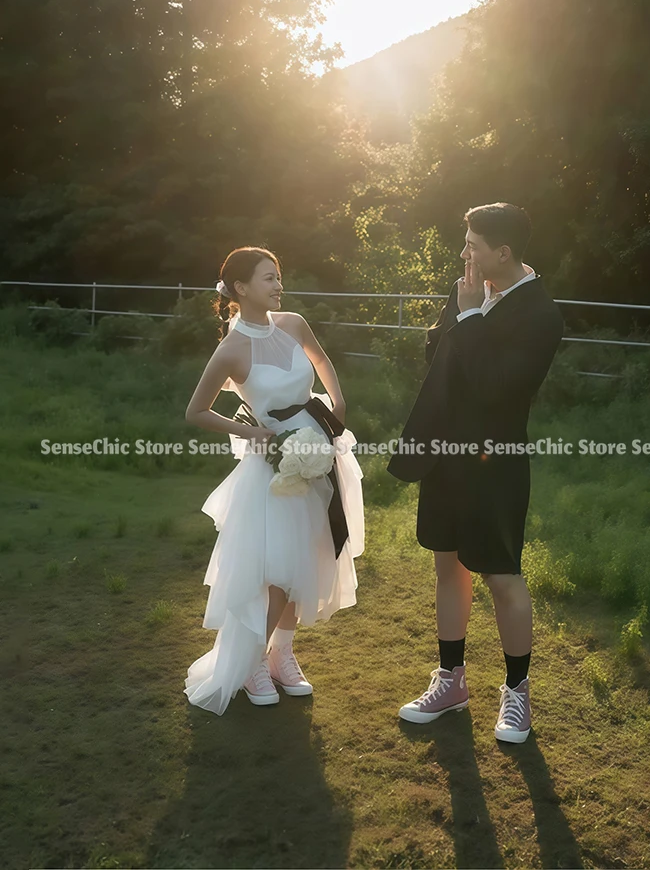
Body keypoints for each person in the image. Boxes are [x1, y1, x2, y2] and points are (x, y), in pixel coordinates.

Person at [387, 203, 563, 743]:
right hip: (447, 455)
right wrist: (459, 320)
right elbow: (434, 353)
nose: (463, 253)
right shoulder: (467, 288)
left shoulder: (542, 315)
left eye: (472, 245)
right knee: (448, 568)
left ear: (503, 252)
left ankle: (517, 694)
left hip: (496, 462)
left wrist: (468, 319)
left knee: (502, 575)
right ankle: (451, 682)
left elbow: (497, 388)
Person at [183, 246, 365, 716]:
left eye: (278, 276)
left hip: (316, 456)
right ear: (241, 288)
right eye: (268, 278)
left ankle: (281, 655)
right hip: (272, 472)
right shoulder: (232, 348)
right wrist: (251, 432)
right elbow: (196, 411)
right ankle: (248, 665)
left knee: (304, 563)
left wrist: (337, 407)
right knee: (274, 575)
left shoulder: (294, 323)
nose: (278, 284)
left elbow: (323, 365)